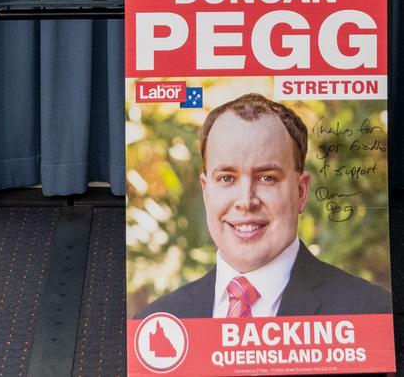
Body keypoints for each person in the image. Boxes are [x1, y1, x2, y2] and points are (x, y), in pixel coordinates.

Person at [136, 93, 391, 318]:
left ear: (301, 191)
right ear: (206, 191)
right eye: (227, 178)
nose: (246, 201)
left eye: (267, 178)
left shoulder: (370, 312)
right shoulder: (157, 321)